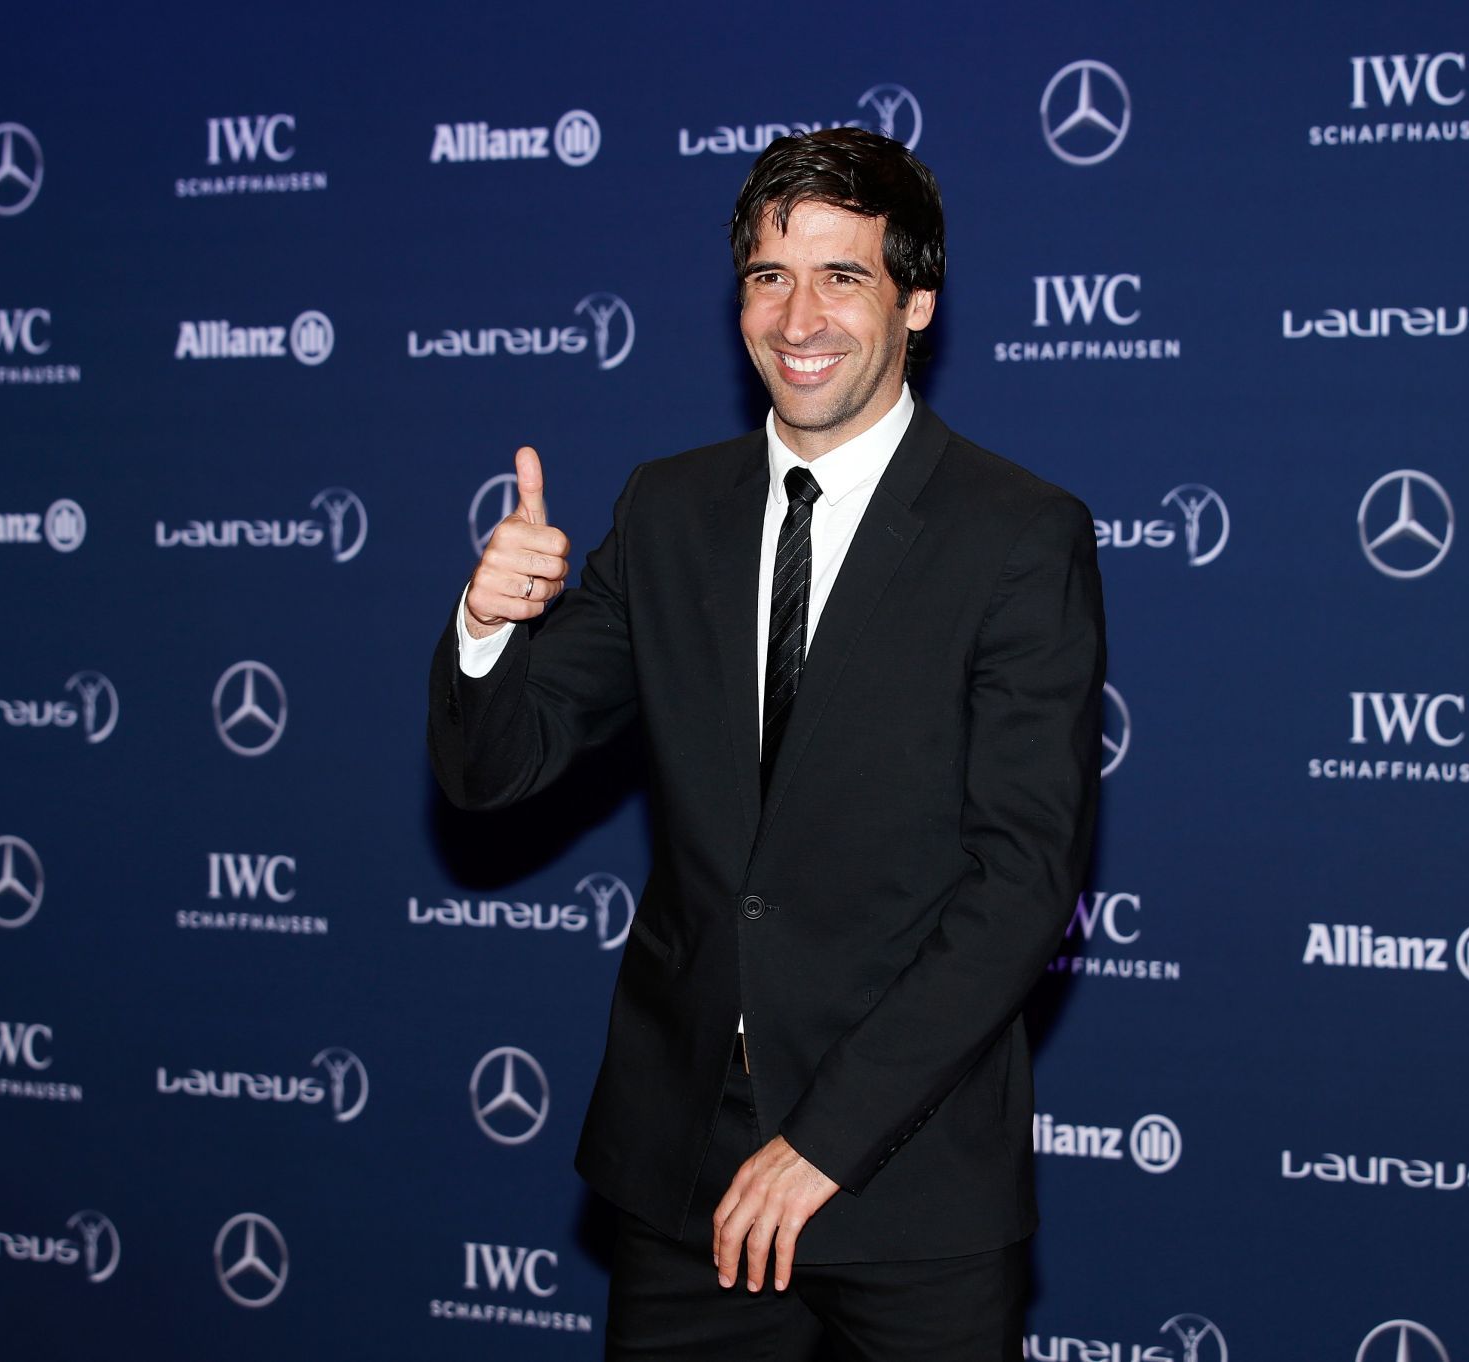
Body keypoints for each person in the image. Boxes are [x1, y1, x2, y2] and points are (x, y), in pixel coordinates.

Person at [427, 127, 1104, 1361]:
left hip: (910, 1181)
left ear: (918, 301)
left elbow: (1021, 884)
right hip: (687, 1173)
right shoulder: (668, 508)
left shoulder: (1018, 535)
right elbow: (493, 769)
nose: (799, 317)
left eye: (842, 277)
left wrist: (824, 1143)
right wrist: (485, 626)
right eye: (768, 276)